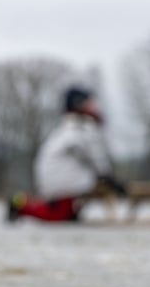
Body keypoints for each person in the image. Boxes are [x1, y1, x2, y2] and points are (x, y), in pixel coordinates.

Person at [7, 86, 126, 222]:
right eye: (90, 103)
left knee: (62, 212)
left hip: (55, 183)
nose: (95, 106)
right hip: (65, 185)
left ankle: (25, 203)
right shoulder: (85, 127)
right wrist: (113, 182)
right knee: (55, 216)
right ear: (79, 104)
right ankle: (21, 203)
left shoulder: (67, 127)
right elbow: (97, 160)